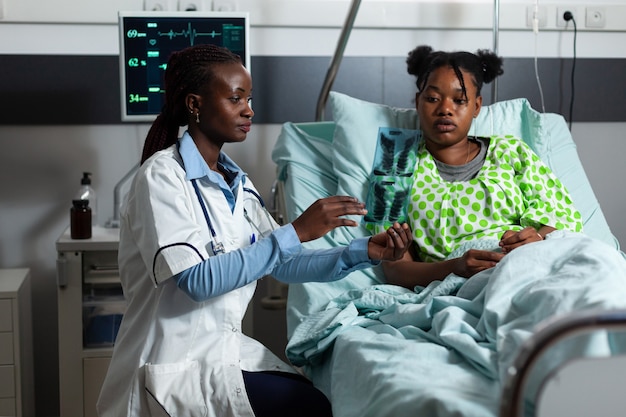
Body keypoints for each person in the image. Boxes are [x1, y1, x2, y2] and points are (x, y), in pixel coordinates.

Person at [96, 44, 412, 417]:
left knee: (313, 396)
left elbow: (283, 264)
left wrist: (362, 252)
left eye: (249, 98)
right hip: (171, 367)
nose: (249, 109)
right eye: (235, 98)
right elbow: (197, 281)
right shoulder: (162, 177)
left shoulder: (237, 184)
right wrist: (295, 230)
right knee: (306, 407)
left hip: (219, 355)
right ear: (195, 104)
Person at [381, 45, 583, 289]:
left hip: (533, 266)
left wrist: (539, 238)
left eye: (459, 100)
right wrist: (454, 267)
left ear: (476, 107)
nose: (445, 109)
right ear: (417, 102)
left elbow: (564, 220)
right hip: (462, 286)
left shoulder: (511, 151)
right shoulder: (394, 164)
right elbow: (394, 268)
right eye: (433, 98)